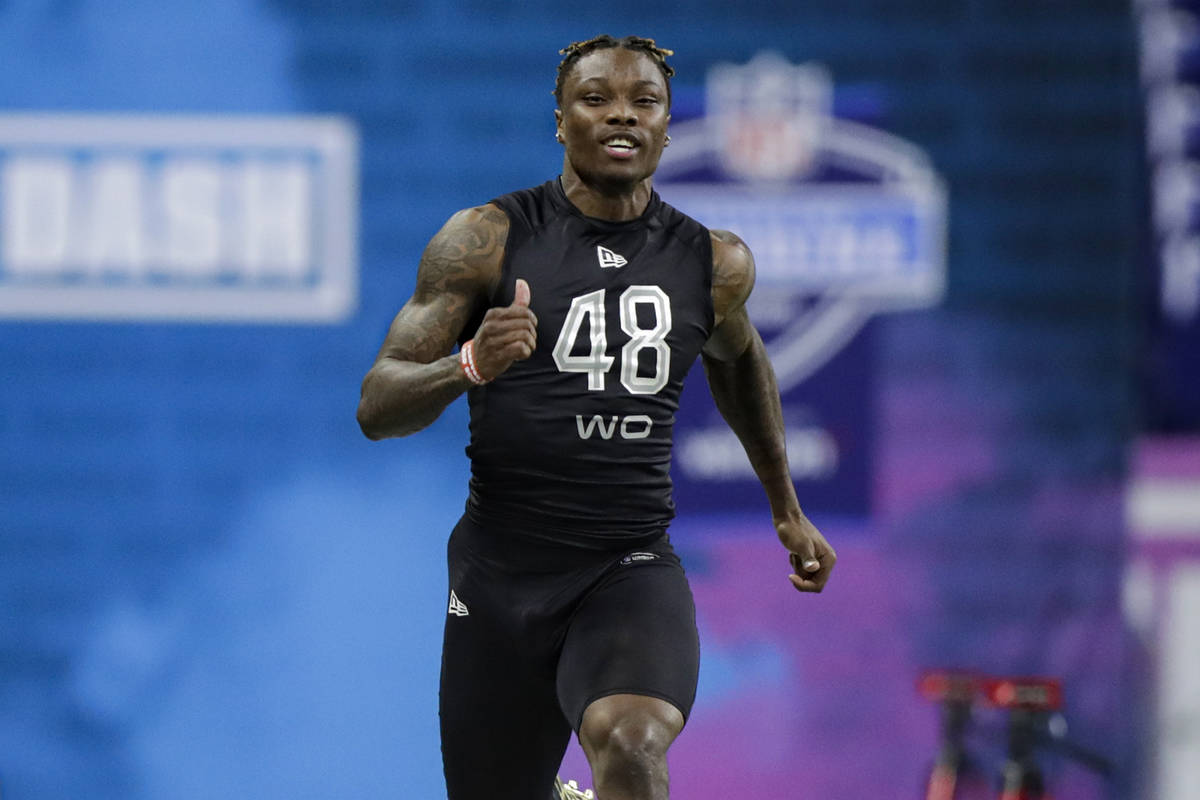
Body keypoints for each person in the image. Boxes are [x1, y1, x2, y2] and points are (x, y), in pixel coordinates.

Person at [356, 34, 836, 800]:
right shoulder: (485, 241)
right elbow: (377, 406)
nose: (623, 117)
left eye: (644, 102)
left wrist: (787, 508)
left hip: (627, 565)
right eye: (596, 100)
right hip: (499, 574)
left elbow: (740, 360)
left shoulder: (712, 262)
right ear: (559, 120)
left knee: (633, 741)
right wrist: (471, 364)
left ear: (668, 124)